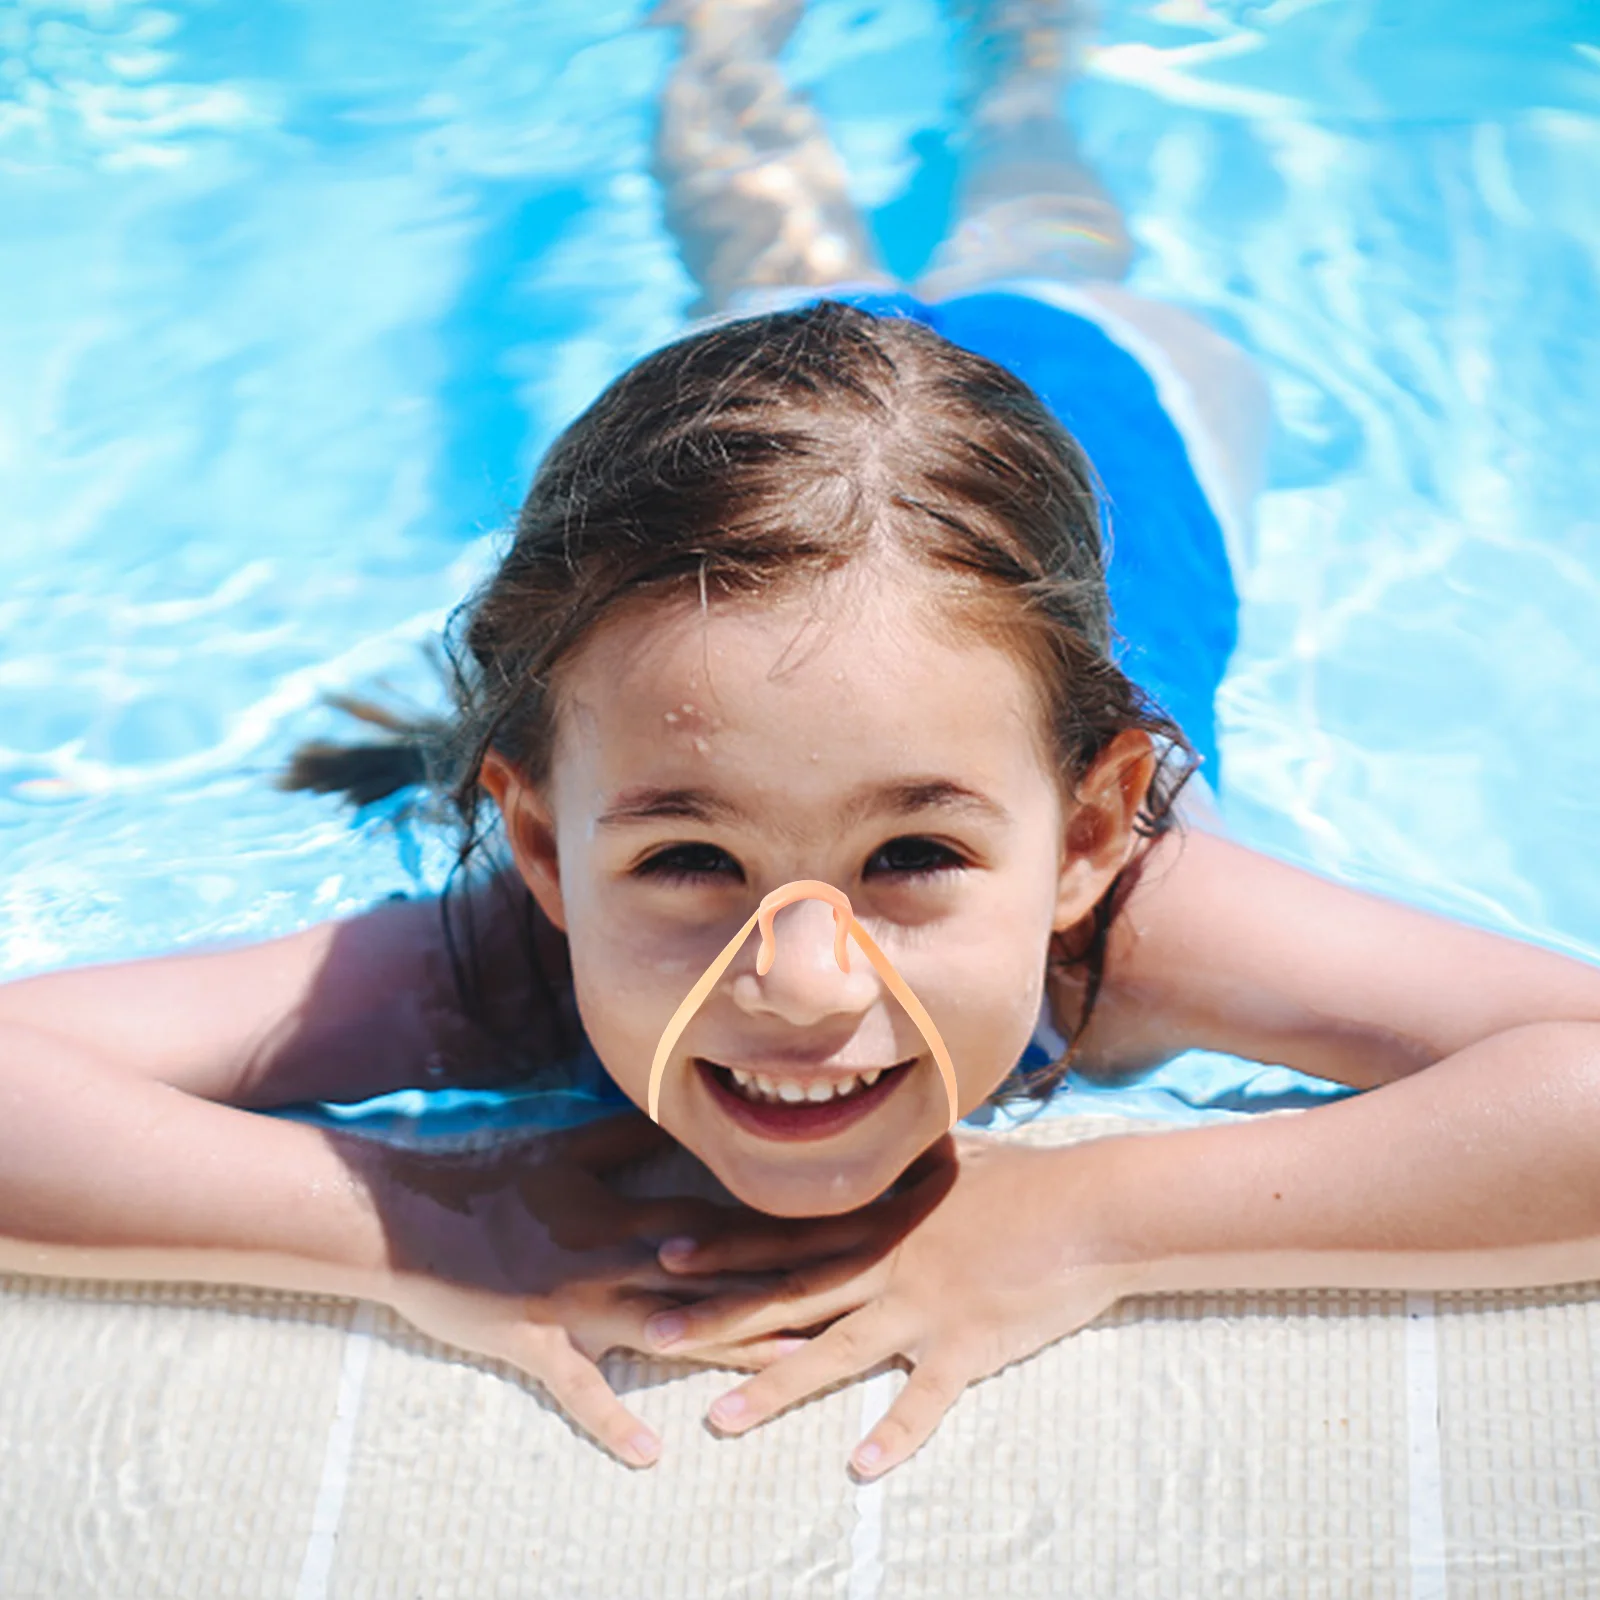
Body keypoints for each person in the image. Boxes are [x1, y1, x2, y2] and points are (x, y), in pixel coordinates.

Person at [3, 0, 1599, 1491]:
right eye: (691, 856)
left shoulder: (1139, 924)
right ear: (548, 845)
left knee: (1040, 218)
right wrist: (424, 1224)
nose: (806, 982)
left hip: (1130, 396)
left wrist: (1097, 1218)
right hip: (802, 404)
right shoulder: (502, 956)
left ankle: (1027, 60)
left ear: (1095, 831)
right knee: (756, 230)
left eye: (913, 853)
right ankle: (723, 41)